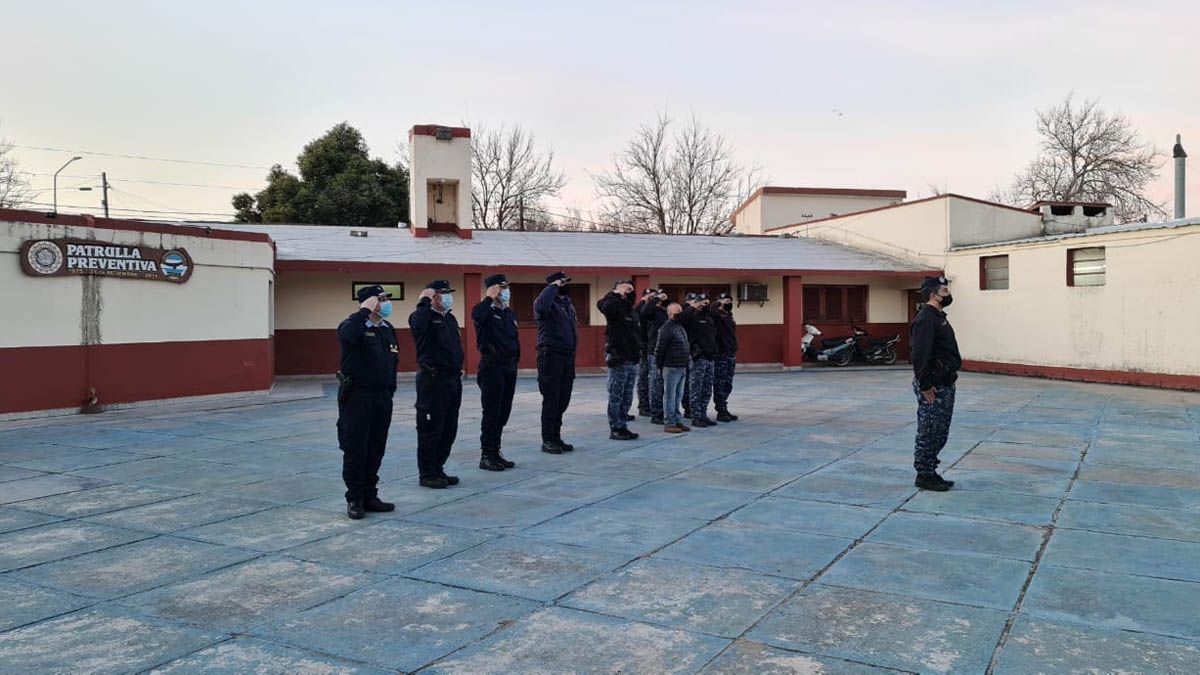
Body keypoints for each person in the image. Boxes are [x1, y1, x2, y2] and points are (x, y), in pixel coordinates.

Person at [336, 285, 399, 520]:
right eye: (380, 299)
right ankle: (355, 498)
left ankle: (370, 495)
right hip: (358, 397)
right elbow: (346, 336)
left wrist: (390, 390)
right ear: (369, 302)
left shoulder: (387, 328)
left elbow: (393, 362)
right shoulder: (353, 326)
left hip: (382, 398)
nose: (385, 303)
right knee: (355, 449)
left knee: (376, 448)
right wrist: (363, 312)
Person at [409, 280, 464, 489]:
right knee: (430, 429)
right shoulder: (422, 317)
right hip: (432, 381)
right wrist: (424, 300)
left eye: (449, 292)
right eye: (443, 293)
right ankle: (427, 473)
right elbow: (417, 323)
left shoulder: (449, 318)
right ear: (433, 296)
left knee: (449, 428)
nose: (448, 296)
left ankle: (438, 468)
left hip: (452, 380)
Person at [910, 275, 962, 492]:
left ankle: (931, 470)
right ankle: (923, 474)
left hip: (944, 382)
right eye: (944, 291)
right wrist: (924, 384)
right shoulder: (926, 319)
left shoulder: (938, 316)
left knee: (940, 430)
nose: (948, 294)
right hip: (933, 386)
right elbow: (920, 354)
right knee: (929, 430)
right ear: (933, 294)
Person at [472, 273, 519, 472]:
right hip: (492, 367)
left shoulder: (508, 312)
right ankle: (486, 454)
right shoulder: (484, 310)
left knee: (503, 412)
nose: (505, 291)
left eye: (506, 287)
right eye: (502, 287)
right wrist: (489, 297)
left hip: (509, 367)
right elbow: (477, 316)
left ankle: (496, 451)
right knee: (491, 412)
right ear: (494, 289)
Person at [535, 271, 578, 454]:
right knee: (551, 399)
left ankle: (557, 436)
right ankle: (548, 439)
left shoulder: (567, 304)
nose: (565, 284)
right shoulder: (545, 303)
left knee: (562, 399)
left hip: (567, 357)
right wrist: (552, 286)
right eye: (562, 282)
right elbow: (542, 306)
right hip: (551, 356)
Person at [598, 280, 643, 441]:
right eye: (626, 288)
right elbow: (604, 305)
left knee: (627, 396)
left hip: (632, 358)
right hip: (618, 357)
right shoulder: (614, 308)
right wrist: (616, 292)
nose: (629, 291)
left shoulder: (630, 311)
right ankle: (615, 428)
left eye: (631, 289)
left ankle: (622, 425)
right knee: (616, 395)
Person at [679, 293, 719, 427]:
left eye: (706, 302)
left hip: (710, 357)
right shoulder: (691, 316)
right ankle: (696, 416)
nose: (704, 305)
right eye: (701, 302)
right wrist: (693, 307)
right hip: (698, 358)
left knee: (707, 389)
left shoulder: (709, 318)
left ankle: (703, 414)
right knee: (696, 387)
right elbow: (681, 320)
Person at [655, 302, 691, 433]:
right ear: (670, 314)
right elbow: (659, 349)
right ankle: (669, 422)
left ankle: (677, 420)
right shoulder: (666, 328)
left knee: (678, 396)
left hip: (681, 366)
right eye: (678, 312)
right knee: (670, 397)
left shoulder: (680, 326)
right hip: (671, 367)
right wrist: (658, 366)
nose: (681, 314)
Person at [639, 289, 669, 425]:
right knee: (655, 383)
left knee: (667, 384)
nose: (663, 299)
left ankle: (666, 410)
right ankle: (655, 412)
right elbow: (643, 313)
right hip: (653, 351)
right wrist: (653, 299)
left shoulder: (667, 312)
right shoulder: (652, 312)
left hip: (668, 353)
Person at [711, 292, 740, 423]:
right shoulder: (715, 315)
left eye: (729, 300)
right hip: (721, 354)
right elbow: (712, 310)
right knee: (720, 382)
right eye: (724, 301)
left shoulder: (729, 315)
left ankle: (724, 407)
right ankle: (720, 410)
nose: (727, 303)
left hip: (730, 353)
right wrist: (718, 304)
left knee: (728, 383)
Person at [635, 288, 657, 418]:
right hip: (643, 347)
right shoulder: (640, 308)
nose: (652, 299)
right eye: (650, 296)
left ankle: (653, 405)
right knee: (643, 378)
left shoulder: (654, 309)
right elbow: (639, 315)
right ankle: (643, 406)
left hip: (652, 346)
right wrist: (644, 301)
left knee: (654, 379)